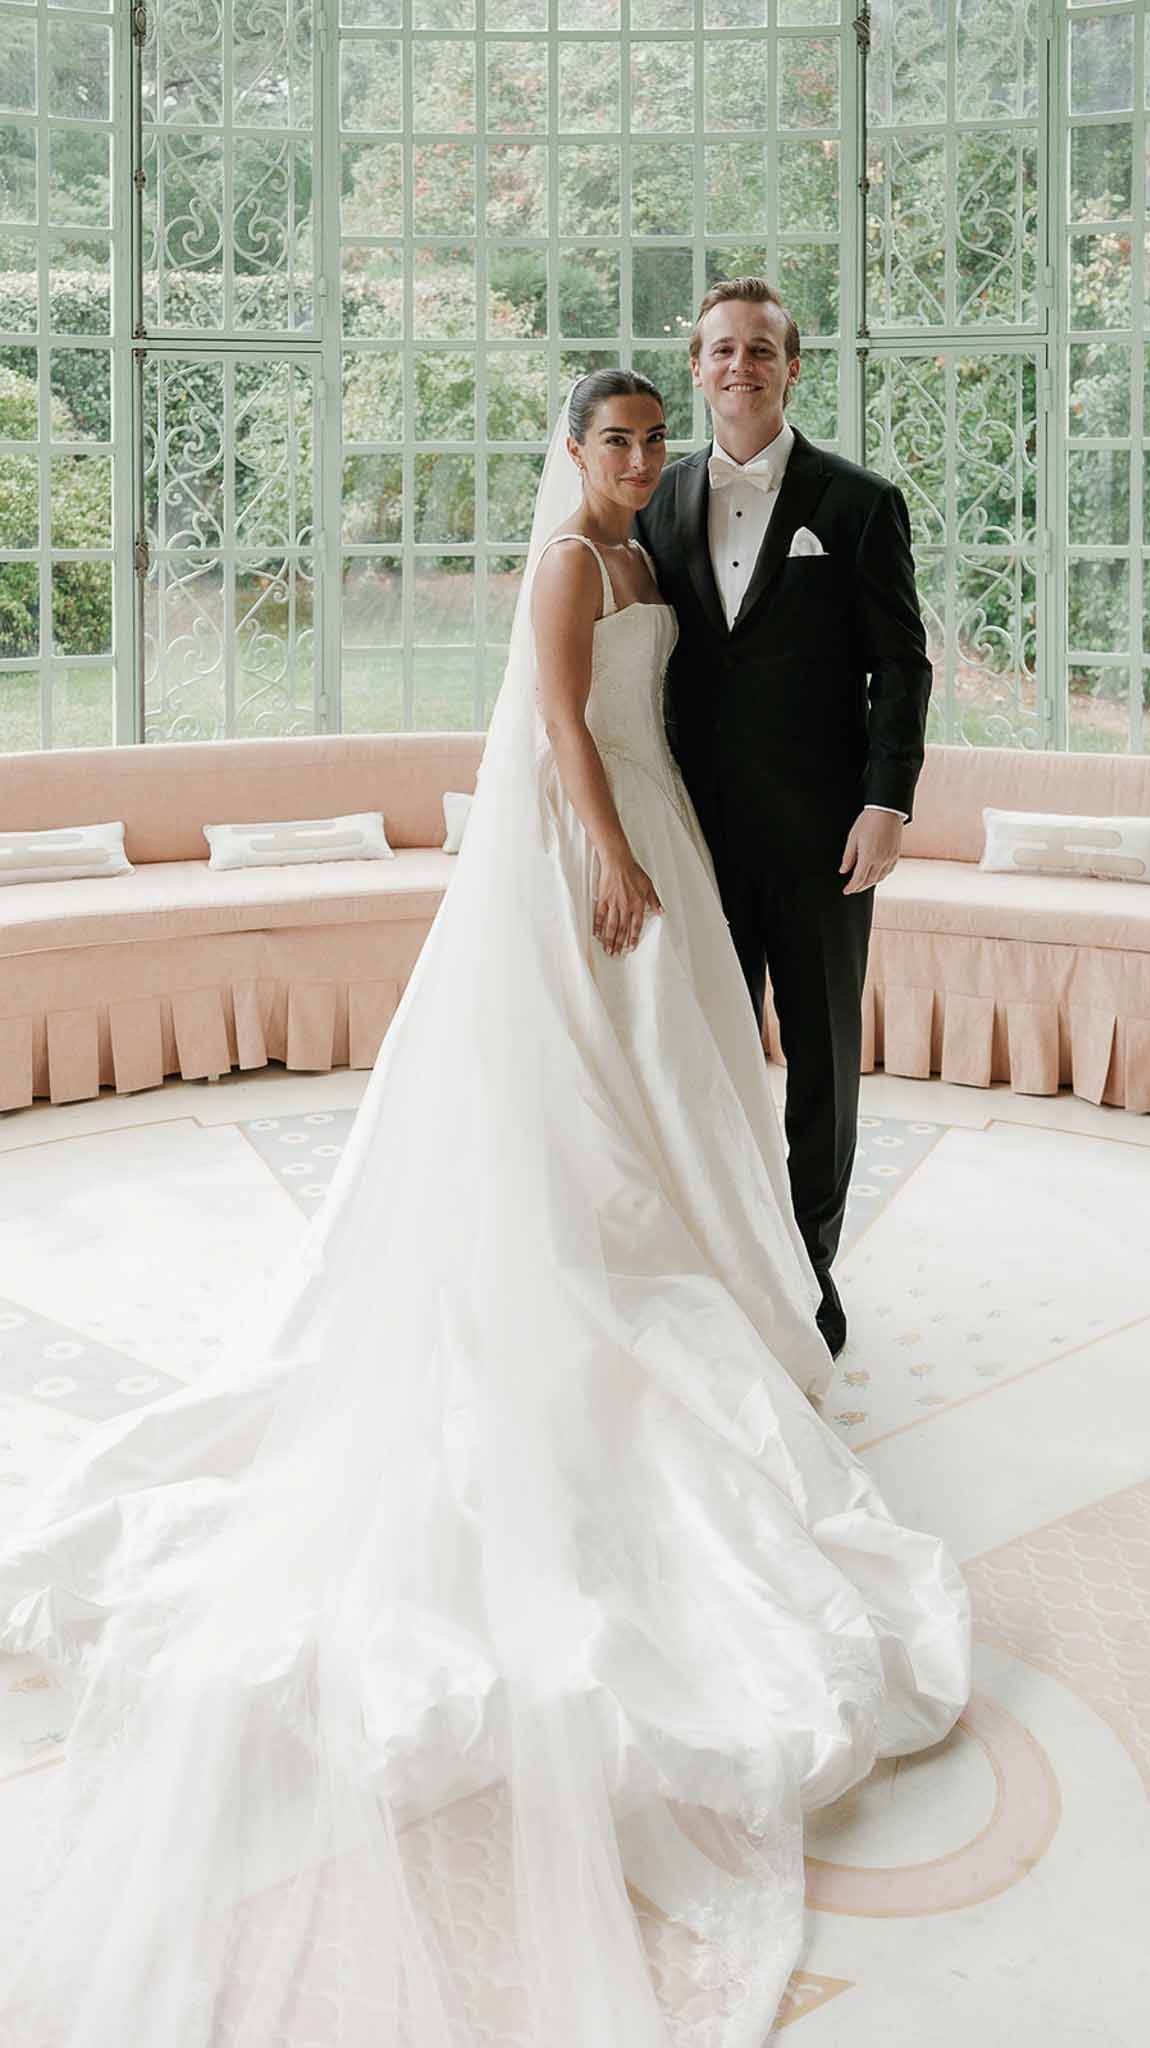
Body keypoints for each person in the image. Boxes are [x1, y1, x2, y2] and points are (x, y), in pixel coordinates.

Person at [0, 370, 969, 2048]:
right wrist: (604, 847)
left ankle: (723, 1271)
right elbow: (551, 726)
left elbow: (696, 692)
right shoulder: (568, 565)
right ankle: (596, 1268)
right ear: (573, 452)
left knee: (690, 1081)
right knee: (594, 1088)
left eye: (654, 437)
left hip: (668, 811)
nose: (643, 457)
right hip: (591, 836)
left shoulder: (656, 550)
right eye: (618, 439)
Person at [635, 279, 936, 1359]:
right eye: (720, 348)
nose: (738, 366)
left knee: (820, 1061)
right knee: (706, 1055)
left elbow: (900, 666)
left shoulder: (856, 503)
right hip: (693, 835)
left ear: (791, 366)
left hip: (822, 839)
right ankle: (718, 1253)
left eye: (761, 348)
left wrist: (886, 800)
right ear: (698, 364)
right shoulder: (653, 500)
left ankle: (808, 1272)